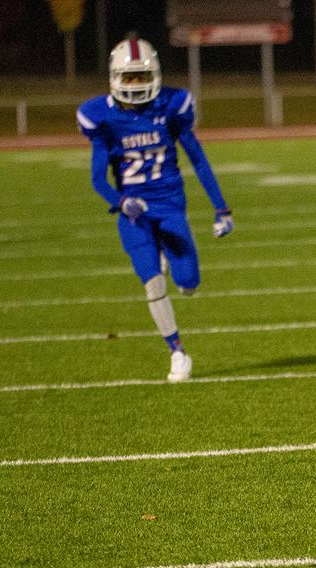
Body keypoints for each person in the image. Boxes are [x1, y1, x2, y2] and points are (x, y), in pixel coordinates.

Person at [76, 38, 234, 381]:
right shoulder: (101, 117)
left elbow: (198, 159)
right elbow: (97, 178)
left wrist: (221, 208)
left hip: (171, 206)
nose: (135, 84)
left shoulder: (171, 106)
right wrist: (120, 202)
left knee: (189, 284)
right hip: (135, 213)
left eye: (141, 76)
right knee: (152, 281)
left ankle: (171, 259)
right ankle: (177, 351)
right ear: (115, 78)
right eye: (129, 77)